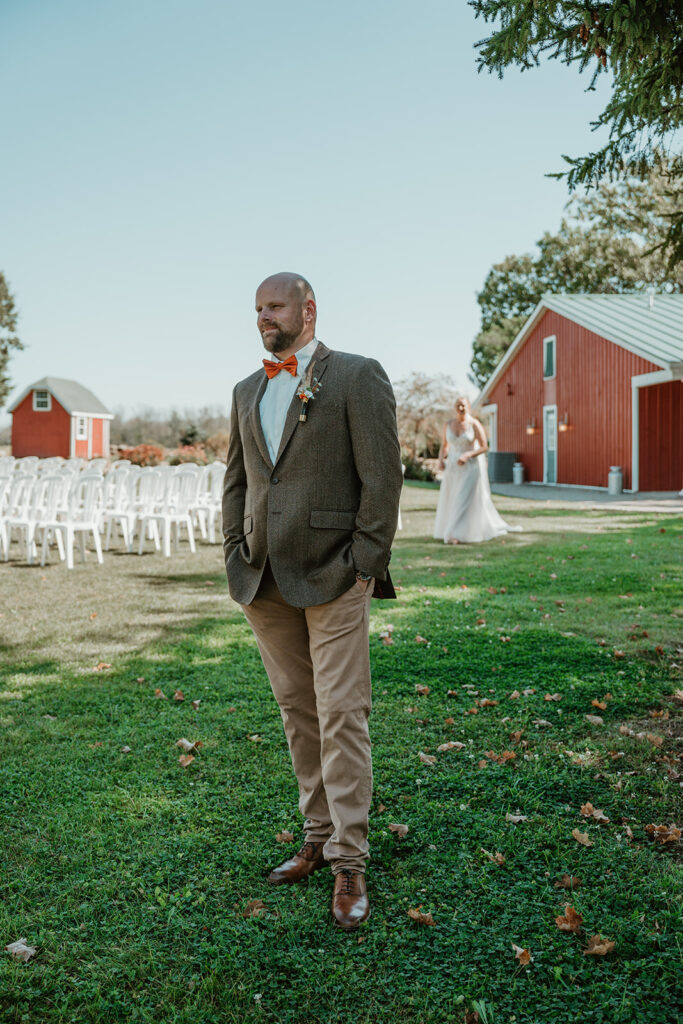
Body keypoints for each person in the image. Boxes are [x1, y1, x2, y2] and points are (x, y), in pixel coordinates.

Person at [222, 272, 403, 930]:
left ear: (307, 308)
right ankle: (317, 837)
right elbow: (237, 485)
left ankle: (349, 860)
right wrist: (232, 551)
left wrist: (365, 562)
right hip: (262, 580)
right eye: (257, 308)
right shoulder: (247, 390)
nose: (263, 316)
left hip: (334, 574)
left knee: (341, 711)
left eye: (273, 305)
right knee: (298, 711)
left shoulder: (356, 376)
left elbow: (382, 476)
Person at [433, 395, 519, 543]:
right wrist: (441, 460)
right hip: (452, 468)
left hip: (470, 467)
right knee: (451, 498)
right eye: (458, 405)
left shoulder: (474, 424)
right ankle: (454, 530)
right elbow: (444, 446)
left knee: (463, 498)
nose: (461, 408)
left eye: (463, 405)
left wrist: (468, 455)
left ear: (468, 407)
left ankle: (453, 534)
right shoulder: (448, 424)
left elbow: (484, 446)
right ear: (455, 407)